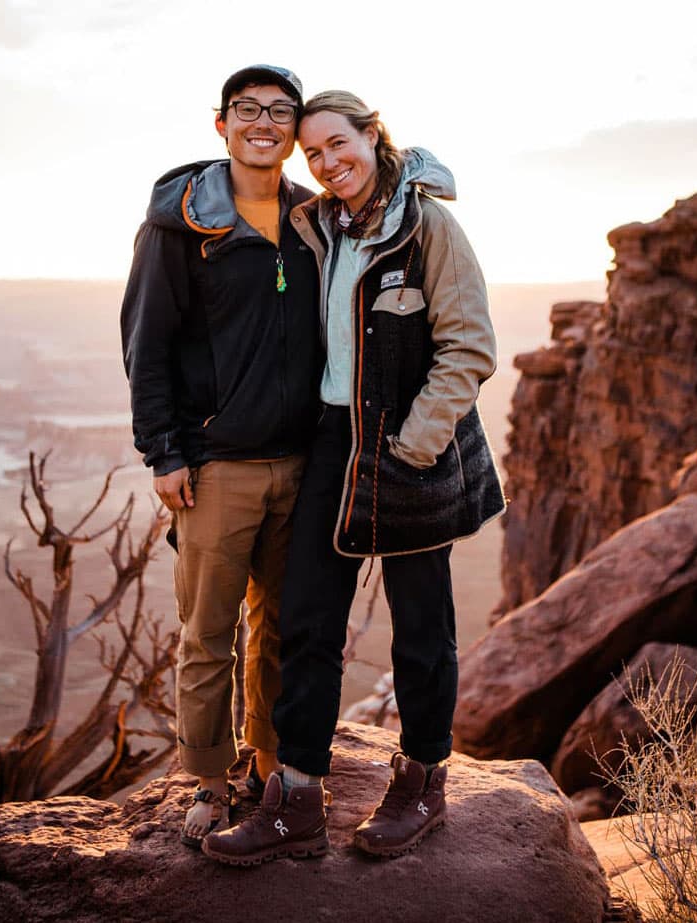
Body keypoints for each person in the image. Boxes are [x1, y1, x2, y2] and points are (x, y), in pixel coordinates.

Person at [202, 90, 504, 865]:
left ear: (373, 136)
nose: (329, 163)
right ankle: (297, 798)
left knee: (421, 629)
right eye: (316, 156)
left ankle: (422, 782)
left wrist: (414, 444)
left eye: (340, 144)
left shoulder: (428, 224)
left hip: (409, 446)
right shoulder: (320, 226)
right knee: (306, 619)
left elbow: (469, 344)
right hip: (334, 445)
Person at [120, 64, 320, 848]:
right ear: (223, 123)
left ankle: (268, 770)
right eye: (249, 109)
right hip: (214, 465)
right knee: (208, 632)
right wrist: (163, 451)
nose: (263, 122)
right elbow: (147, 345)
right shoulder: (180, 223)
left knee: (279, 629)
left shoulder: (313, 218)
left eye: (280, 111)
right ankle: (207, 780)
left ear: (295, 130)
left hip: (300, 462)